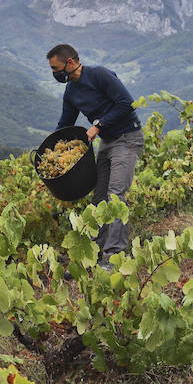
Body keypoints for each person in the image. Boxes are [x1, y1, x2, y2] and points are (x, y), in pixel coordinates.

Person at [46, 43, 144, 265]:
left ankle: (114, 257)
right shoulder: (71, 91)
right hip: (107, 143)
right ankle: (92, 255)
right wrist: (51, 151)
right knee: (99, 199)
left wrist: (98, 125)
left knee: (116, 196)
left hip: (128, 138)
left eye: (55, 68)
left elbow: (127, 103)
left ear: (70, 62)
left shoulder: (99, 75)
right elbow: (65, 124)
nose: (54, 73)